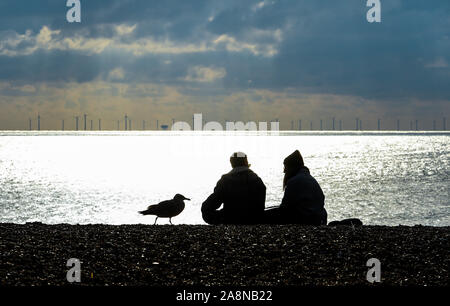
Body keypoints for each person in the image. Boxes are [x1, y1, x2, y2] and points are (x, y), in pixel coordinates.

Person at [263, 150, 327, 225]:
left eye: (285, 167)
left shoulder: (294, 181)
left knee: (264, 216)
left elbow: (285, 207)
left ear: (292, 167)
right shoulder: (309, 178)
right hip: (319, 219)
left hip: (306, 220)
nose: (284, 171)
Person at [201, 152, 266, 225]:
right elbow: (260, 206)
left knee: (206, 208)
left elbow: (210, 205)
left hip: (231, 220)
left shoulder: (225, 181)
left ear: (232, 163)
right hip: (254, 220)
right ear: (246, 162)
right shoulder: (257, 180)